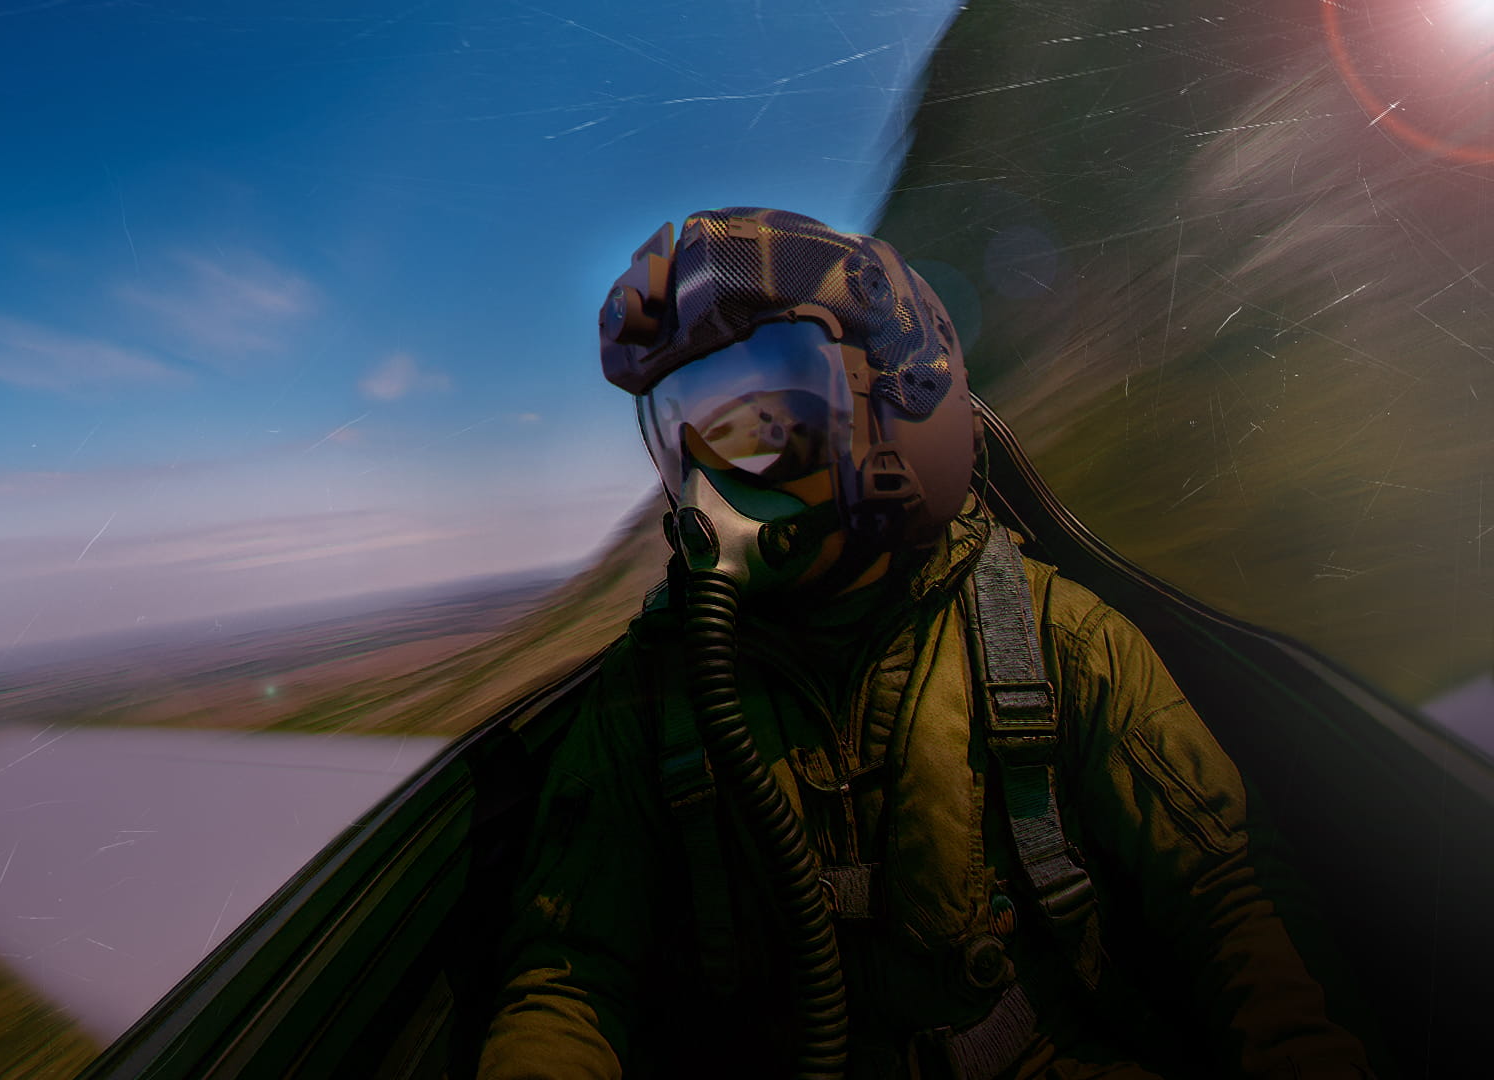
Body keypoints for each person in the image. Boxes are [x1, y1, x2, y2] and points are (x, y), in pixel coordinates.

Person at [476, 208, 1377, 1079]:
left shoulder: (1060, 638)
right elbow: (570, 975)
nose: (717, 490)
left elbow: (1224, 903)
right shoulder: (657, 691)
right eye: (693, 443)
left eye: (766, 427)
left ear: (898, 410)